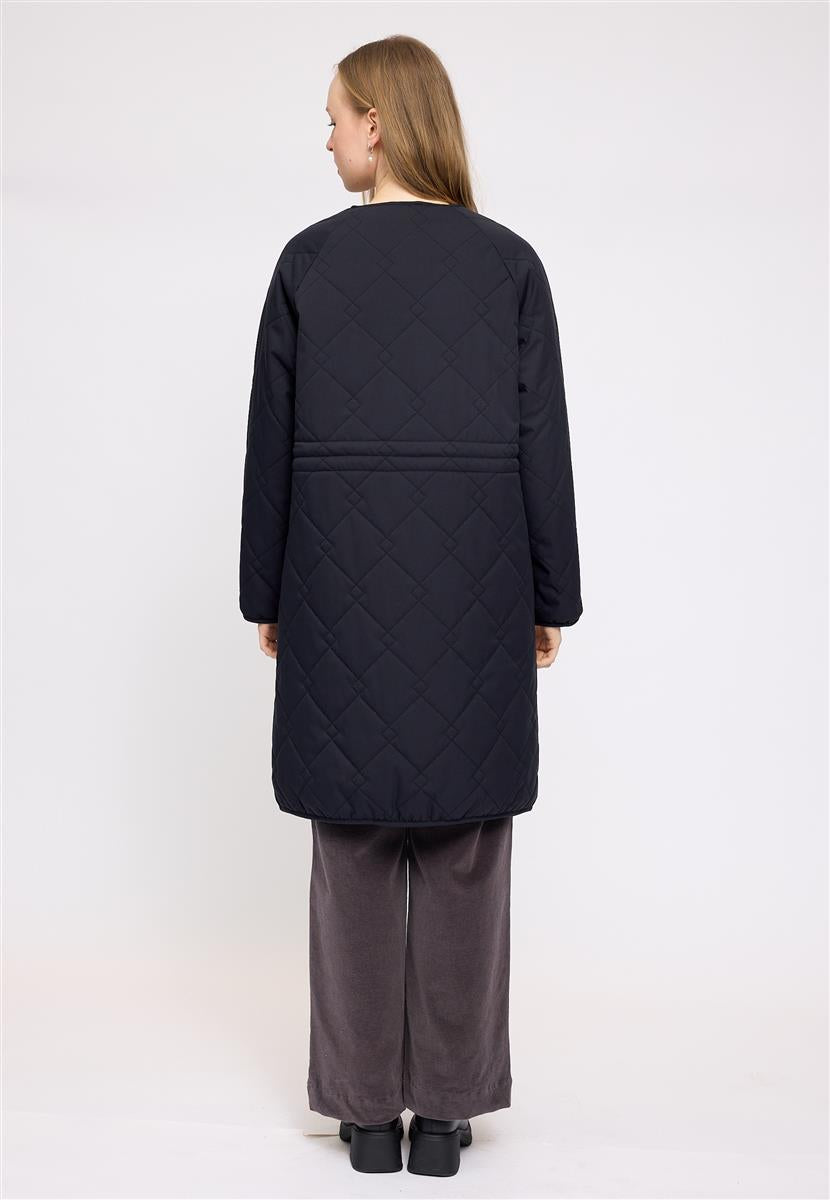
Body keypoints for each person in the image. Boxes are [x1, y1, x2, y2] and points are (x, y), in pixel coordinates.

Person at [238, 34, 583, 1178]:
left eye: (333, 116)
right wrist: (549, 596)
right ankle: (442, 1118)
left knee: (349, 846)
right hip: (475, 596)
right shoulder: (508, 265)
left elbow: (270, 449)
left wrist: (265, 590)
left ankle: (358, 1116)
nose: (326, 137)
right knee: (464, 847)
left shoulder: (307, 263)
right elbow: (541, 446)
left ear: (376, 124)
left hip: (333, 593)